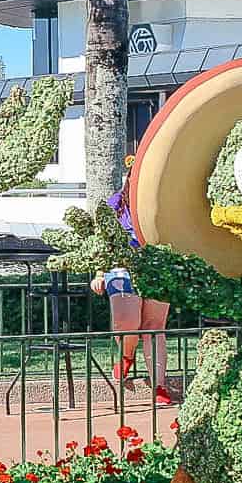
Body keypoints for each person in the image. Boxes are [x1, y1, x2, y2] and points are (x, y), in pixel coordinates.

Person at [91, 159, 175, 406]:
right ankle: (126, 355)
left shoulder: (164, 203)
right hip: (121, 269)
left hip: (157, 268)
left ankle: (159, 384)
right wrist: (98, 272)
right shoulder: (114, 205)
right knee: (127, 322)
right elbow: (102, 242)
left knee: (154, 326)